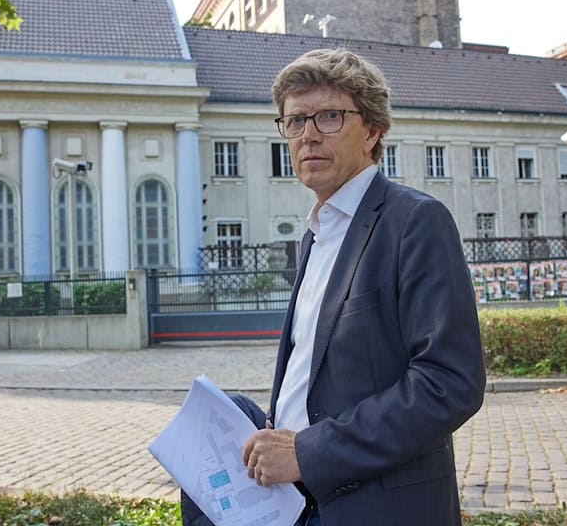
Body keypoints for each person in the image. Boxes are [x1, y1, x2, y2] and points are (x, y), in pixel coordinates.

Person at [183, 49, 486, 526]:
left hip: (377, 507)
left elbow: (449, 383)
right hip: (294, 502)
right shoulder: (316, 235)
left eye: (329, 117)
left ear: (372, 131)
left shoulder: (415, 221)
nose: (308, 135)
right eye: (295, 120)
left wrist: (308, 451)